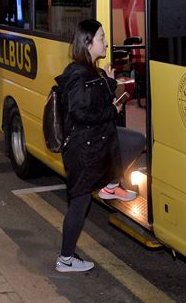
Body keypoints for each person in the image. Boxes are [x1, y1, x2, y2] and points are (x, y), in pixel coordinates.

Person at [55, 19, 142, 273]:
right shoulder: (79, 75)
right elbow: (82, 112)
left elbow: (95, 96)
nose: (106, 42)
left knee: (133, 141)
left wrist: (110, 83)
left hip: (95, 143)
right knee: (79, 205)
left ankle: (110, 185)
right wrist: (110, 110)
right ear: (88, 42)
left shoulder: (92, 72)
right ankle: (66, 259)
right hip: (83, 149)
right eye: (102, 37)